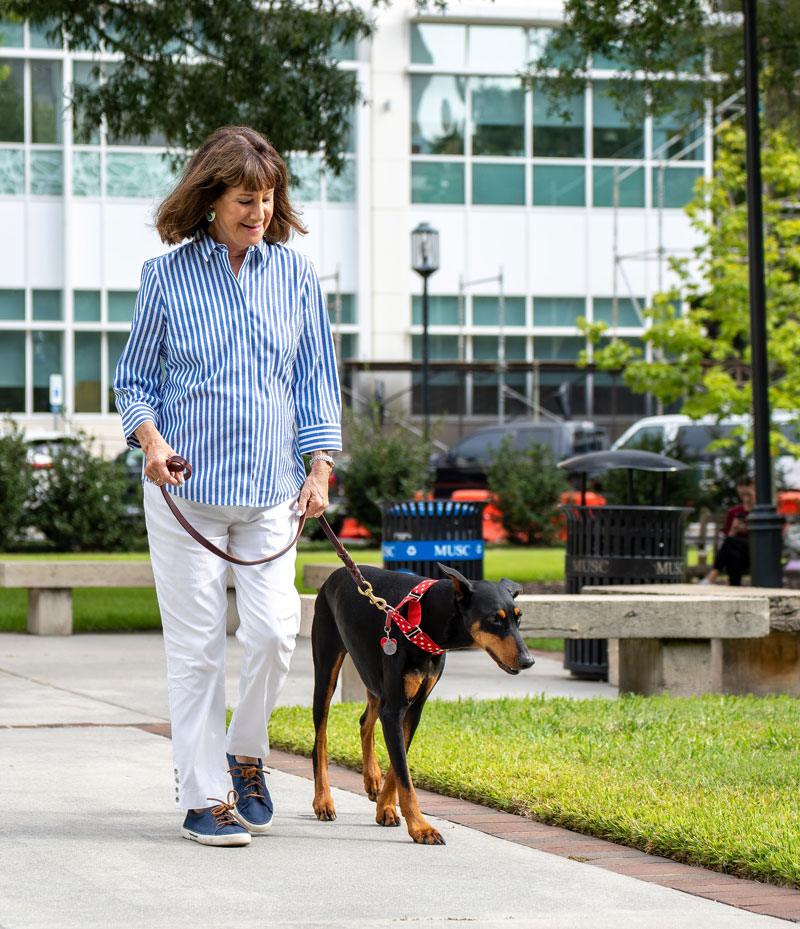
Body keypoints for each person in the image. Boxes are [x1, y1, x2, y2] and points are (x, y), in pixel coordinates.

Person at [113, 126, 342, 847]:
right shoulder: (167, 277)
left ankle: (246, 755)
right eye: (245, 199)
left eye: (269, 198)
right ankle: (205, 795)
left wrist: (319, 467)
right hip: (188, 494)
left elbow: (314, 380)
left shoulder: (297, 276)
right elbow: (134, 381)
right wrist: (152, 444)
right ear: (210, 199)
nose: (260, 212)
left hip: (272, 491)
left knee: (276, 635)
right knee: (199, 647)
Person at [702, 477, 755, 587]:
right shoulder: (734, 512)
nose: (746, 499)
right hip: (738, 551)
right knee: (732, 552)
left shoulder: (760, 511)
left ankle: (713, 574)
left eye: (748, 494)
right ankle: (735, 587)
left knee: (731, 543)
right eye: (742, 495)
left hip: (755, 549)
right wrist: (734, 529)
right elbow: (728, 537)